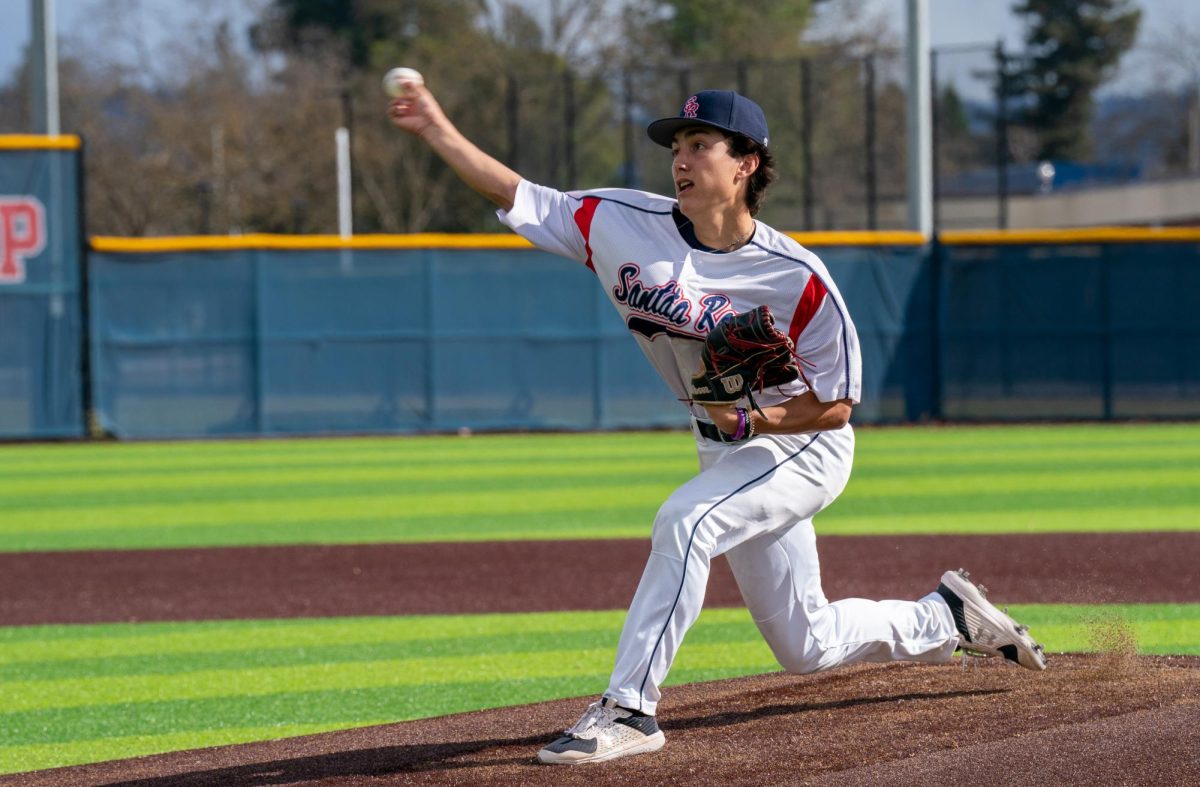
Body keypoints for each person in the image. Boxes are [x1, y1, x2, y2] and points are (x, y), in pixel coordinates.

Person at [387, 80, 1046, 766]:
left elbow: (840, 401)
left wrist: (755, 416)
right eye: (677, 145)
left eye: (701, 143)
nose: (681, 157)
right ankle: (947, 616)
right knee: (806, 644)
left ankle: (629, 708)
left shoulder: (797, 276)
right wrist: (437, 128)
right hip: (727, 449)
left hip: (801, 444)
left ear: (746, 164)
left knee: (686, 522)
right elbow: (520, 194)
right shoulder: (622, 221)